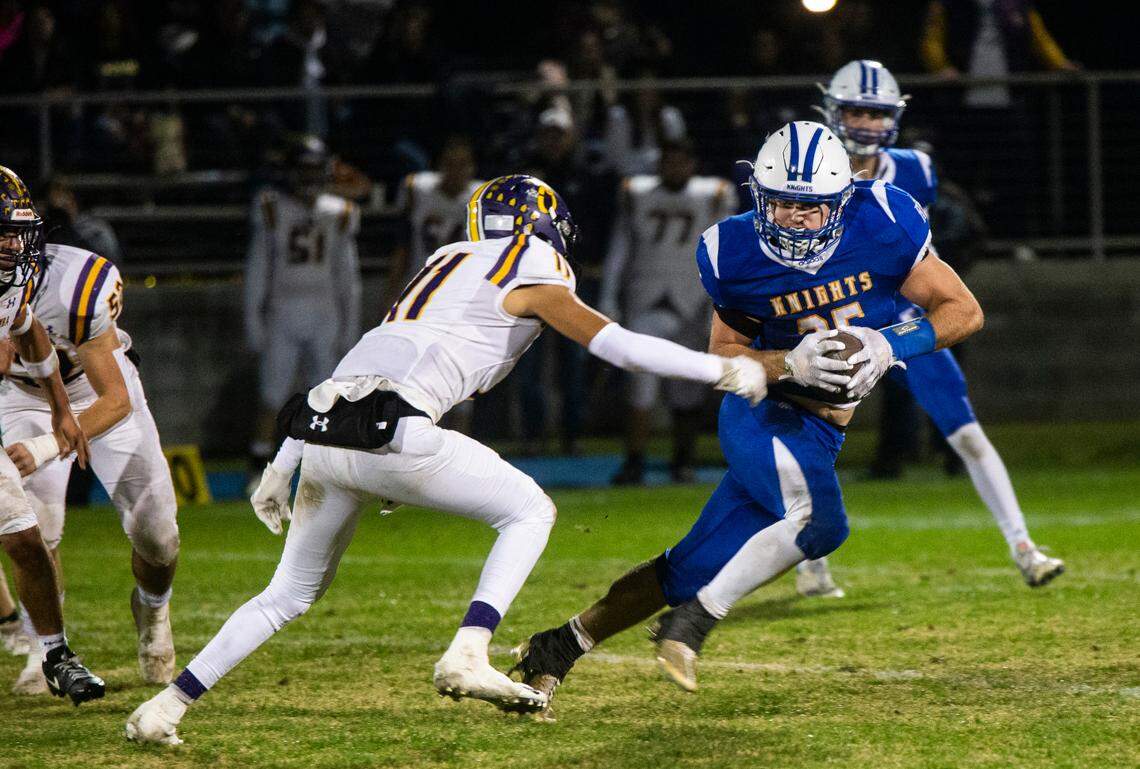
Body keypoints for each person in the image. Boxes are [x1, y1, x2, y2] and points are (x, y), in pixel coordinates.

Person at [124, 174, 769, 745]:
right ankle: (470, 647)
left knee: (284, 595)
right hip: (394, 433)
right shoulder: (533, 264)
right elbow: (621, 347)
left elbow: (371, 355)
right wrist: (721, 370)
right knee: (530, 511)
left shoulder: (446, 259)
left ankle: (165, 707)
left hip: (327, 430)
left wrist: (286, 459)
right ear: (544, 226)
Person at [511, 121, 985, 714]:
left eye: (809, 207)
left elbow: (962, 310)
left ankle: (558, 647)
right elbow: (724, 356)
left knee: (685, 568)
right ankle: (695, 624)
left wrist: (891, 346)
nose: (793, 218)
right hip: (764, 415)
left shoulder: (887, 219)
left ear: (842, 199)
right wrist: (789, 361)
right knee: (822, 524)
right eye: (780, 202)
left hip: (820, 435)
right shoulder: (730, 249)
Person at [800, 59, 1063, 594]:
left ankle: (1024, 547)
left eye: (877, 112)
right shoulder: (808, 170)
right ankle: (808, 560)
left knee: (965, 430)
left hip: (902, 323)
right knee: (813, 440)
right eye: (856, 110)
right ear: (833, 109)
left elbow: (919, 250)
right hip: (838, 318)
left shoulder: (916, 168)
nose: (868, 123)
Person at [1, 224, 179, 693]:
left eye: (8, 234)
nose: (4, 246)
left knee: (157, 535)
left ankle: (153, 608)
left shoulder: (76, 285)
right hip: (21, 396)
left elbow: (114, 398)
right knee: (32, 525)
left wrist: (42, 448)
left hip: (93, 391)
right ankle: (47, 649)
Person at [0, 165, 103, 704]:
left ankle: (56, 656)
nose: (11, 244)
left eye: (14, 231)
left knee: (25, 537)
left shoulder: (11, 283)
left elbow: (28, 329)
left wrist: (62, 407)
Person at [601, 139, 735, 483]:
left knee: (687, 386)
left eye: (681, 162)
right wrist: (609, 297)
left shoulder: (715, 193)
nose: (674, 169)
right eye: (668, 162)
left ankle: (682, 460)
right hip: (644, 296)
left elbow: (724, 252)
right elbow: (621, 247)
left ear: (692, 164)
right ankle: (634, 460)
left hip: (694, 299)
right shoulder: (637, 192)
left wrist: (722, 305)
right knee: (640, 381)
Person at [244, 134, 361, 481]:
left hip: (324, 309)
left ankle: (323, 469)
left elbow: (347, 277)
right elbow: (258, 268)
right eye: (305, 169)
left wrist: (349, 325)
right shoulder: (271, 206)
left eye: (315, 169)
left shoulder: (339, 212)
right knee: (272, 394)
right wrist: (253, 319)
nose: (310, 177)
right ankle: (260, 469)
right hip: (283, 308)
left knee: (326, 394)